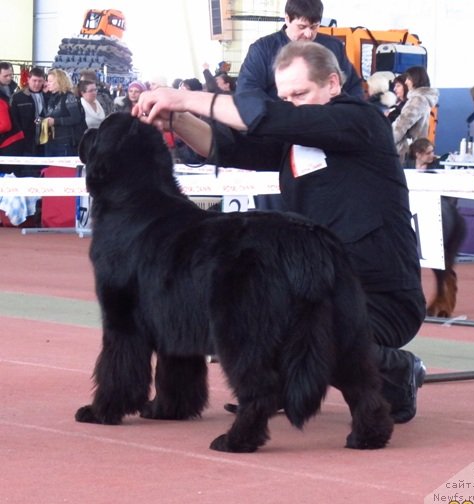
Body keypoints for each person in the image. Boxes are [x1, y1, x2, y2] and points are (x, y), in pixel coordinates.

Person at [135, 41, 427, 424]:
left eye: (300, 93)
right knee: (252, 317)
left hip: (382, 293)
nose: (290, 104)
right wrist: (176, 120)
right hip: (322, 284)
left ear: (334, 84)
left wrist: (184, 97)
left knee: (309, 338)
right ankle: (277, 389)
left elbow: (265, 116)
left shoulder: (361, 120)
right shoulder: (295, 136)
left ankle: (397, 371)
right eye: (284, 96)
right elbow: (232, 146)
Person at [235, 0, 363, 100]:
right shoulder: (262, 49)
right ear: (287, 19)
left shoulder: (334, 46)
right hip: (279, 124)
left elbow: (353, 87)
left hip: (327, 123)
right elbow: (247, 92)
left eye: (314, 27)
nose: (308, 34)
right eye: (302, 27)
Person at [392, 66, 439, 163]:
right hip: (417, 150)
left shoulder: (417, 100)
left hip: (406, 152)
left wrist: (386, 140)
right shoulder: (423, 99)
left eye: (408, 79)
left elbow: (402, 124)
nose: (406, 82)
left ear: (415, 79)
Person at [44, 68, 86, 156]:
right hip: (51, 141)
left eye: (50, 81)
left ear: (60, 81)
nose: (47, 83)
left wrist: (55, 121)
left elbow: (76, 118)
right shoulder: (51, 98)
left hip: (65, 142)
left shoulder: (69, 97)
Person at [10, 67, 47, 158]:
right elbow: (14, 119)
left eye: (40, 81)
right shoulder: (18, 97)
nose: (37, 84)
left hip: (45, 142)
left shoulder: (48, 96)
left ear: (44, 81)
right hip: (25, 142)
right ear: (28, 79)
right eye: (34, 80)